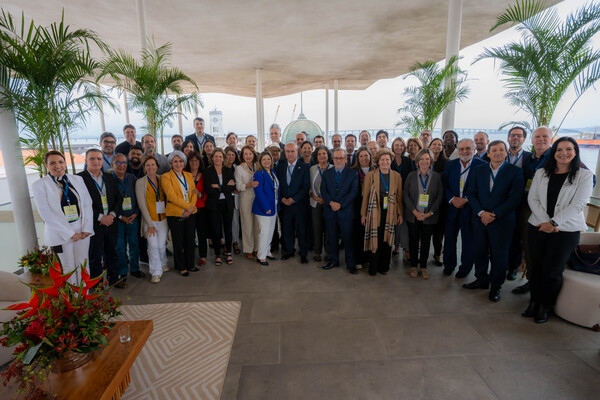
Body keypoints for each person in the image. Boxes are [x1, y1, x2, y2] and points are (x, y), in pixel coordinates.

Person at [524, 137, 593, 323]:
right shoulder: (541, 173)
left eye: (568, 149)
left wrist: (554, 223)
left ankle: (545, 306)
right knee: (535, 267)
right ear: (553, 153)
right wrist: (546, 222)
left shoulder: (585, 175)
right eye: (559, 149)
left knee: (552, 270)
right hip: (538, 226)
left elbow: (579, 204)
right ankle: (534, 301)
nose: (564, 153)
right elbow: (533, 199)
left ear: (576, 151)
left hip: (566, 231)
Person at [464, 140, 524, 302]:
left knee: (500, 255)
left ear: (506, 153)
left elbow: (515, 198)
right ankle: (481, 279)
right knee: (480, 251)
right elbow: (471, 193)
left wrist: (494, 214)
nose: (498, 153)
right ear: (488, 154)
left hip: (502, 221)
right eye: (494, 150)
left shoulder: (515, 172)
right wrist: (482, 213)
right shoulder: (478, 170)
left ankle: (496, 286)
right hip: (480, 219)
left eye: (501, 150)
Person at [32, 151, 93, 285]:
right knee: (68, 266)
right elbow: (46, 213)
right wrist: (70, 233)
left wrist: (87, 228)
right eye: (52, 163)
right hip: (61, 233)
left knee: (83, 264)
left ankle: (84, 297)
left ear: (65, 163)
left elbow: (87, 204)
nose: (57, 166)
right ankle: (73, 300)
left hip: (82, 229)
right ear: (46, 165)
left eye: (60, 162)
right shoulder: (40, 185)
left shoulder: (78, 179)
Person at [442, 138, 487, 278]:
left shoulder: (483, 165)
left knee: (469, 241)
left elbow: (483, 189)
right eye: (461, 149)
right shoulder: (450, 165)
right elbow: (444, 185)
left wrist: (466, 200)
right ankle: (449, 266)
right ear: (458, 150)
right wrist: (452, 199)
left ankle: (465, 268)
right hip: (452, 208)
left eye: (468, 148)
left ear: (474, 150)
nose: (465, 151)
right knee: (449, 239)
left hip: (470, 210)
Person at [78, 149, 122, 287]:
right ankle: (97, 285)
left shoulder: (109, 177)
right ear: (86, 161)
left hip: (111, 222)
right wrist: (100, 217)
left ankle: (114, 279)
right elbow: (80, 203)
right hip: (93, 224)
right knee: (95, 256)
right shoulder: (79, 179)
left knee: (112, 252)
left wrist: (112, 215)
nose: (96, 162)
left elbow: (118, 199)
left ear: (103, 161)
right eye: (92, 159)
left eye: (99, 159)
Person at [361, 149, 403, 275]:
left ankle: (384, 267)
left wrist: (400, 213)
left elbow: (399, 196)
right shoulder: (370, 175)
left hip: (390, 211)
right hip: (374, 211)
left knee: (387, 239)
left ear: (391, 161)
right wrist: (363, 214)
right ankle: (373, 267)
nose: (385, 162)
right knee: (376, 239)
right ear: (378, 161)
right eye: (382, 160)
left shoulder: (396, 175)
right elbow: (366, 196)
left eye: (387, 160)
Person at [403, 149, 444, 279]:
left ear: (431, 161)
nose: (424, 161)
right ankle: (414, 266)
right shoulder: (411, 175)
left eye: (427, 159)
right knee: (413, 241)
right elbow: (406, 195)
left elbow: (439, 196)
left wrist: (430, 213)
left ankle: (424, 267)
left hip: (429, 217)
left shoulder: (436, 177)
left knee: (426, 242)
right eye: (422, 159)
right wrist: (414, 212)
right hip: (413, 216)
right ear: (418, 161)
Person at [321, 148, 359, 274]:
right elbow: (323, 191)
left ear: (345, 159)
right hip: (330, 211)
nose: (338, 160)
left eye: (341, 158)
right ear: (333, 159)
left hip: (346, 212)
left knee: (348, 239)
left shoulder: (353, 173)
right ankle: (333, 261)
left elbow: (353, 193)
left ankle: (351, 264)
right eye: (336, 158)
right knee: (332, 238)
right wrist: (331, 203)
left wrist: (340, 204)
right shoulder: (327, 173)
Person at [162, 151, 197, 276]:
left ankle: (190, 264)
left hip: (190, 212)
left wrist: (190, 209)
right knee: (178, 241)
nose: (178, 164)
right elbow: (171, 196)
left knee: (190, 239)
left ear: (184, 162)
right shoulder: (166, 177)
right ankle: (181, 266)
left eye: (181, 161)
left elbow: (194, 192)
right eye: (175, 161)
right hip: (176, 214)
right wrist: (188, 207)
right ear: (171, 163)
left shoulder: (188, 175)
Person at [136, 155, 168, 283]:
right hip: (149, 220)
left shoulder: (163, 179)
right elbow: (141, 204)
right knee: (153, 245)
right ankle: (155, 271)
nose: (150, 167)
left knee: (161, 245)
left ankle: (163, 262)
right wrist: (149, 224)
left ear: (157, 167)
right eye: (147, 165)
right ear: (144, 168)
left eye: (153, 165)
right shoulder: (140, 182)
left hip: (163, 218)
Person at [112, 154, 143, 288]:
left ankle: (135, 268)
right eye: (118, 162)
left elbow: (139, 198)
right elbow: (108, 201)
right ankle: (123, 271)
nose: (121, 165)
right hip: (117, 219)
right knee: (120, 247)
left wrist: (136, 214)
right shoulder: (108, 179)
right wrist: (119, 216)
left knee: (134, 244)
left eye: (124, 162)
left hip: (132, 218)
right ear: (112, 164)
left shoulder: (132, 179)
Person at [277, 142, 310, 264]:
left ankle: (303, 253)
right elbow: (278, 186)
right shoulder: (280, 167)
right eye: (287, 151)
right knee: (287, 229)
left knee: (301, 230)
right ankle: (289, 251)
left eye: (292, 151)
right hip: (285, 205)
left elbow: (306, 187)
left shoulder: (304, 167)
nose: (290, 154)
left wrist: (294, 199)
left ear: (297, 152)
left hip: (299, 204)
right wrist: (282, 198)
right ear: (284, 153)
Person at [506, 126, 532, 281]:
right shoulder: (500, 154)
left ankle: (513, 267)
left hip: (523, 205)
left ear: (524, 138)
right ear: (508, 138)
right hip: (500, 203)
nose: (515, 138)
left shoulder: (530, 157)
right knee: (501, 236)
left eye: (519, 136)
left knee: (518, 238)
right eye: (512, 135)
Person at [205, 148, 236, 265]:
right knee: (216, 230)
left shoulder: (228, 170)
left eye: (220, 157)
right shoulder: (208, 171)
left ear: (223, 159)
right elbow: (208, 189)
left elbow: (232, 188)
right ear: (212, 158)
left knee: (228, 229)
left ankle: (228, 253)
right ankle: (217, 254)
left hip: (227, 204)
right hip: (214, 205)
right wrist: (224, 187)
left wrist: (218, 187)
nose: (218, 158)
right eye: (216, 156)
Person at [252, 152, 280, 266]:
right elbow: (259, 192)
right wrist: (266, 207)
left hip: (273, 206)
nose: (267, 161)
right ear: (260, 161)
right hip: (264, 208)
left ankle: (267, 251)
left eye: (268, 159)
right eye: (264, 159)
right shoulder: (259, 174)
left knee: (270, 231)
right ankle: (261, 256)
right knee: (264, 232)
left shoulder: (272, 172)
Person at [235, 145, 260, 259]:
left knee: (257, 225)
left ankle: (256, 248)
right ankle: (248, 249)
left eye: (250, 153)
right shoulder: (239, 168)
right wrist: (249, 184)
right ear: (242, 156)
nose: (248, 156)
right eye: (245, 154)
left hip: (258, 198)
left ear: (253, 154)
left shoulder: (258, 166)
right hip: (245, 198)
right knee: (247, 224)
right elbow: (238, 186)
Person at [309, 146, 333, 262]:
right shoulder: (312, 169)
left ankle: (328, 252)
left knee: (329, 228)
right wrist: (314, 196)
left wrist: (327, 199)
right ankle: (317, 252)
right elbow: (309, 187)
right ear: (316, 156)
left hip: (329, 204)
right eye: (319, 154)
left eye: (324, 153)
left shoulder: (333, 168)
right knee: (317, 228)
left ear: (328, 155)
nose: (322, 156)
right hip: (316, 203)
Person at [390, 137, 412, 260]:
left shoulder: (408, 161)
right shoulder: (388, 160)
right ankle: (396, 246)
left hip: (405, 195)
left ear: (404, 147)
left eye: (401, 145)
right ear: (392, 146)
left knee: (403, 222)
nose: (398, 147)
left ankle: (405, 247)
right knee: (394, 222)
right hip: (392, 196)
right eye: (396, 145)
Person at [352, 147, 374, 269]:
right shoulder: (353, 171)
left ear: (370, 157)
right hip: (357, 206)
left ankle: (369, 258)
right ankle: (359, 259)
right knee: (358, 233)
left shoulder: (376, 170)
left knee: (371, 233)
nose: (364, 158)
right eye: (361, 156)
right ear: (357, 158)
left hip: (373, 206)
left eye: (366, 156)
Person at [186, 151, 208, 267]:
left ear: (200, 162)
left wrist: (200, 195)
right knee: (189, 233)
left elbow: (208, 193)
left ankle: (203, 256)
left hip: (201, 207)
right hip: (187, 208)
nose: (194, 162)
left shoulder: (204, 175)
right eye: (191, 160)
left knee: (202, 233)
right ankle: (189, 255)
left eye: (196, 160)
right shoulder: (183, 174)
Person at [429, 138, 448, 265]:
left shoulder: (447, 162)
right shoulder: (425, 160)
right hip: (424, 200)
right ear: (429, 146)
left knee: (438, 231)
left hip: (440, 201)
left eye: (439, 144)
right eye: (434, 144)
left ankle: (437, 253)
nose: (436, 146)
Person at [225, 146, 242, 254]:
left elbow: (238, 183)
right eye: (228, 154)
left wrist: (235, 188)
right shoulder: (221, 167)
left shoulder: (237, 167)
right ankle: (227, 242)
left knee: (235, 221)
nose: (230, 157)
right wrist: (230, 188)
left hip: (235, 198)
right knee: (225, 222)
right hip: (225, 198)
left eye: (233, 154)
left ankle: (235, 242)